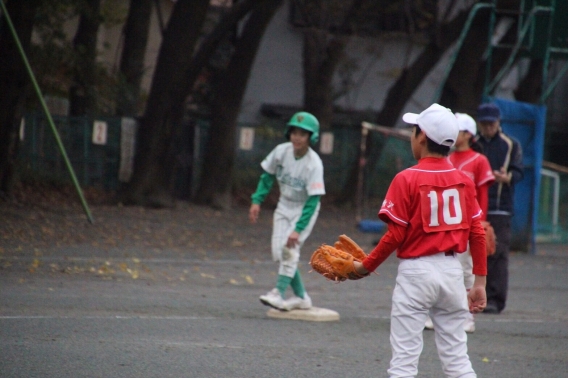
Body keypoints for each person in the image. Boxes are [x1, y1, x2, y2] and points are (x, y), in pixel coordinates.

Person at [353, 103, 487, 378]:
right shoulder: (463, 179)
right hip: (452, 272)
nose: (412, 136)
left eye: (414, 131)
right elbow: (477, 233)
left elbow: (395, 235)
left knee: (404, 362)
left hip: (416, 272)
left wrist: (365, 267)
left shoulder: (406, 178)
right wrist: (479, 282)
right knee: (458, 360)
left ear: (422, 137)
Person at [424, 112, 495, 333]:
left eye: (459, 130)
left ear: (468, 134)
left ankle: (467, 317)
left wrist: (480, 222)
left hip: (468, 224)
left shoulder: (479, 160)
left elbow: (482, 193)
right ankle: (439, 314)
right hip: (446, 225)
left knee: (467, 270)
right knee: (440, 268)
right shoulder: (447, 159)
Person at [249, 111, 325, 311]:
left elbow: (313, 199)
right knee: (279, 252)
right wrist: (257, 201)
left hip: (305, 209)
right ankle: (301, 297)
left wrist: (298, 229)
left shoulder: (314, 164)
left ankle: (278, 293)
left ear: (311, 137)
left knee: (289, 249)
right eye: (294, 132)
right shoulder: (281, 151)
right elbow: (267, 176)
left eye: (303, 133)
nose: (297, 137)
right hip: (284, 206)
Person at [475, 102, 524, 314]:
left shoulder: (510, 144)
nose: (488, 128)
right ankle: (474, 294)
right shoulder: (473, 144)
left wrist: (507, 177)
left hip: (500, 206)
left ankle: (495, 299)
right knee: (475, 253)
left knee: (498, 253)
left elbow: (519, 171)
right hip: (476, 206)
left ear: (498, 123)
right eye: (484, 124)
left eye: (491, 124)